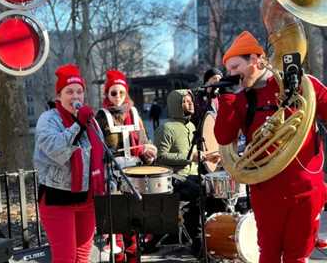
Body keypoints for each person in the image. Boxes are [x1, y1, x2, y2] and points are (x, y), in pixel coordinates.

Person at [214, 31, 327, 263]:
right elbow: (224, 138)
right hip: (266, 191)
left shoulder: (300, 83)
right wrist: (227, 99)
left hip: (305, 189)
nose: (231, 75)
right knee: (269, 255)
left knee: (297, 257)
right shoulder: (240, 97)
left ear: (255, 60)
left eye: (235, 68)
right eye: (228, 70)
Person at [33, 64, 105, 263]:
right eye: (69, 91)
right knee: (66, 258)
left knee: (82, 257)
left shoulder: (91, 121)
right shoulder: (48, 120)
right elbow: (56, 151)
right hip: (58, 199)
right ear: (59, 96)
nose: (76, 96)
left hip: (87, 199)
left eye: (79, 91)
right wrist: (77, 125)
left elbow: (100, 157)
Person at [95, 69, 157, 263]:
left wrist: (148, 153)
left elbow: (143, 142)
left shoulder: (135, 113)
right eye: (113, 93)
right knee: (118, 227)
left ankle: (133, 259)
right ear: (107, 94)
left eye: (122, 92)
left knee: (134, 224)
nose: (118, 97)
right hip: (112, 176)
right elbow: (96, 150)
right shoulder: (101, 116)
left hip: (135, 174)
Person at [153, 89, 221, 256]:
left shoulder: (192, 125)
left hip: (193, 175)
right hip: (174, 178)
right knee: (199, 192)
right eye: (185, 101)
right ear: (176, 104)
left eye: (191, 100)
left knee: (217, 192)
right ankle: (198, 242)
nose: (190, 103)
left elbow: (198, 156)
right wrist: (191, 157)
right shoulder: (166, 128)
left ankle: (214, 237)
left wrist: (209, 158)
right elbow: (160, 157)